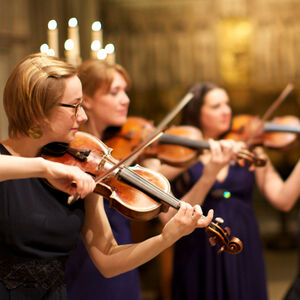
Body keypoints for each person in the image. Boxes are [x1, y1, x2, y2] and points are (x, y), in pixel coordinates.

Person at [0, 53, 213, 300]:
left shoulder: (80, 168)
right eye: (74, 106)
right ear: (38, 109)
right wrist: (44, 168)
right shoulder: (19, 164)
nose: (83, 116)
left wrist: (167, 237)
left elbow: (108, 258)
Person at [65, 60, 237, 300]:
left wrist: (194, 157)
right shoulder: (72, 154)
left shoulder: (127, 147)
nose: (126, 99)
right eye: (115, 92)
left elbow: (156, 192)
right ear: (87, 99)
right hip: (87, 259)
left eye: (125, 91)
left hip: (124, 249)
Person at [163, 82, 300, 300]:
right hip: (198, 247)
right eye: (216, 106)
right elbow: (167, 216)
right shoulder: (185, 151)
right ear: (197, 112)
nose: (226, 111)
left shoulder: (249, 147)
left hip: (243, 243)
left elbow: (283, 199)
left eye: (227, 104)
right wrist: (209, 174)